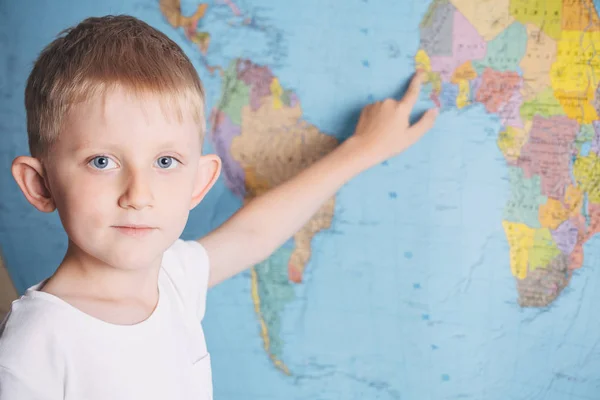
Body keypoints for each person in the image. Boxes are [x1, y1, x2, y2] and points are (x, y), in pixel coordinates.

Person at [0, 14, 438, 400]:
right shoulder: (37, 340)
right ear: (40, 185)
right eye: (102, 161)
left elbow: (254, 233)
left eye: (165, 162)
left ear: (199, 182)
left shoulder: (173, 278)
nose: (138, 194)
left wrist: (361, 149)